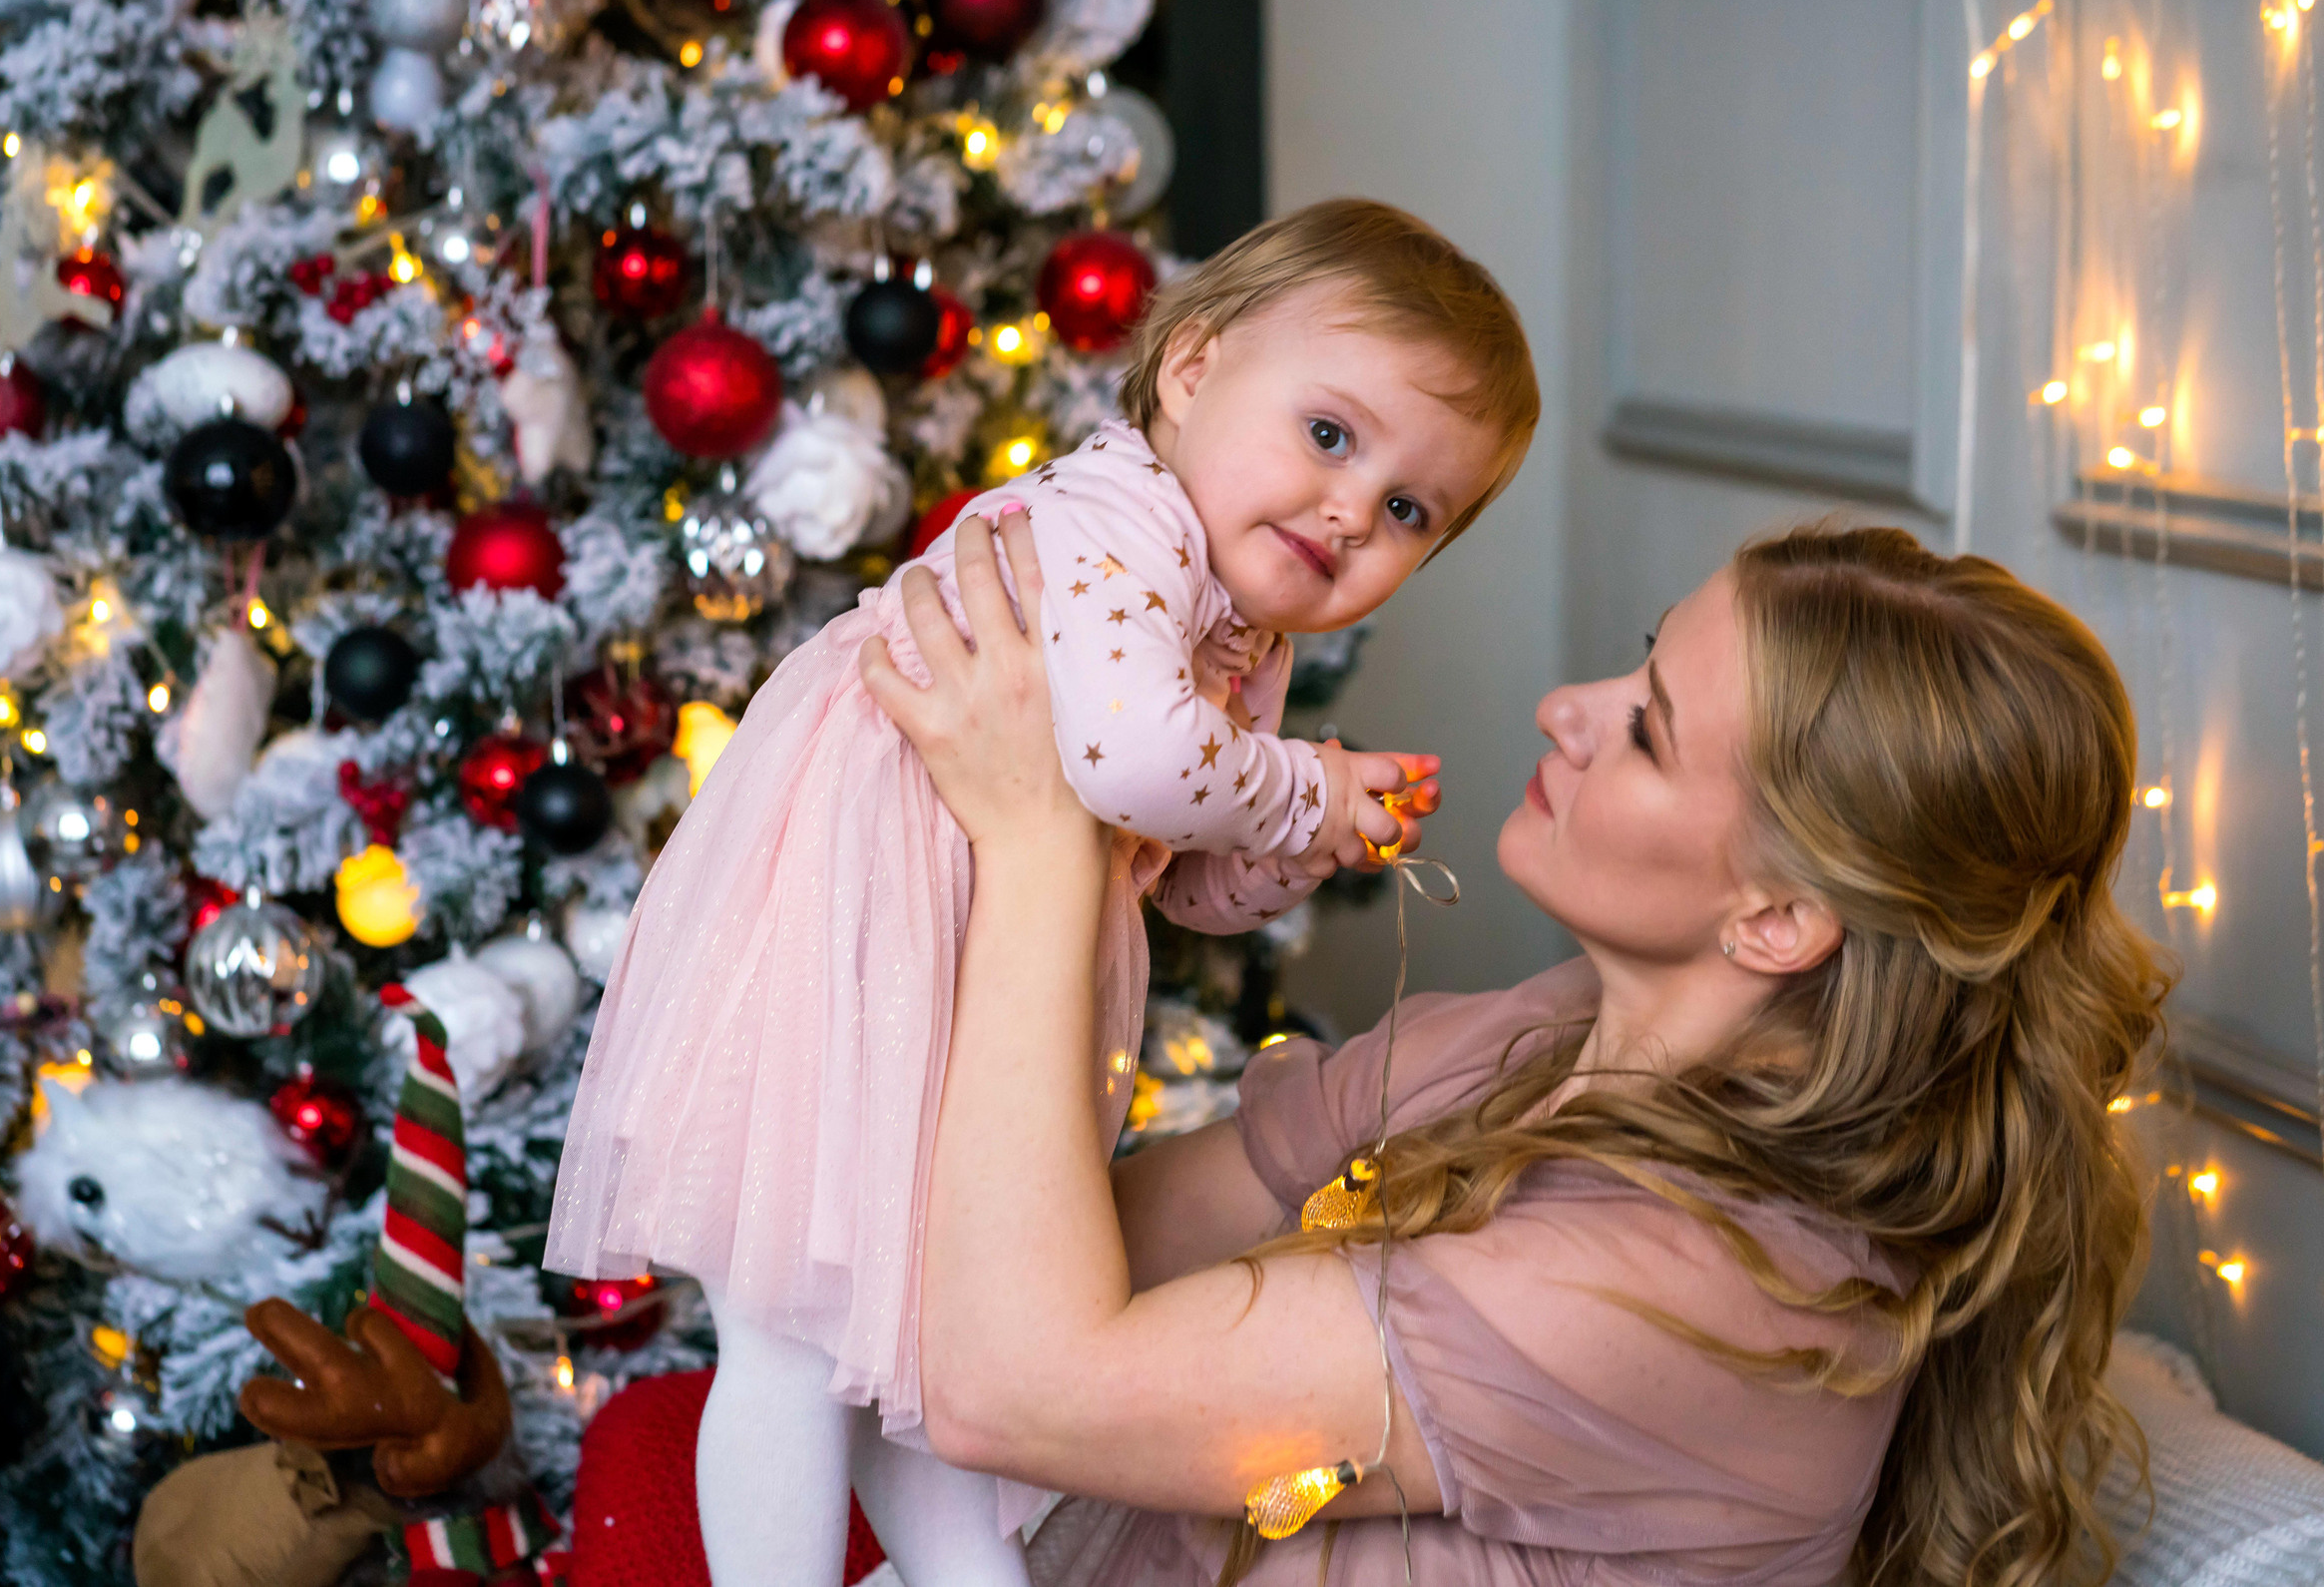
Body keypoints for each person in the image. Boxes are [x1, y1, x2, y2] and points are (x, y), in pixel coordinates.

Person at [865, 509, 2165, 1585]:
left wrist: (1041, 844)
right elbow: (1026, 1272)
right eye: (1640, 664)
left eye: (1648, 731)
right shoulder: (1545, 1037)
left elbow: (1007, 1387)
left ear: (1778, 919)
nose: (1565, 710)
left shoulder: (1697, 1291)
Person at [548, 200, 1543, 1586]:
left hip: (980, 957)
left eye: (1407, 510)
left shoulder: (1243, 633)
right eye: (1330, 434)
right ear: (1191, 370)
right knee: (788, 1340)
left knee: (914, 1345)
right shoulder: (1118, 521)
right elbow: (1134, 759)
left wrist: (1300, 850)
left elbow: (1180, 883)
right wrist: (1306, 789)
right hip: (864, 925)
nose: (1349, 510)